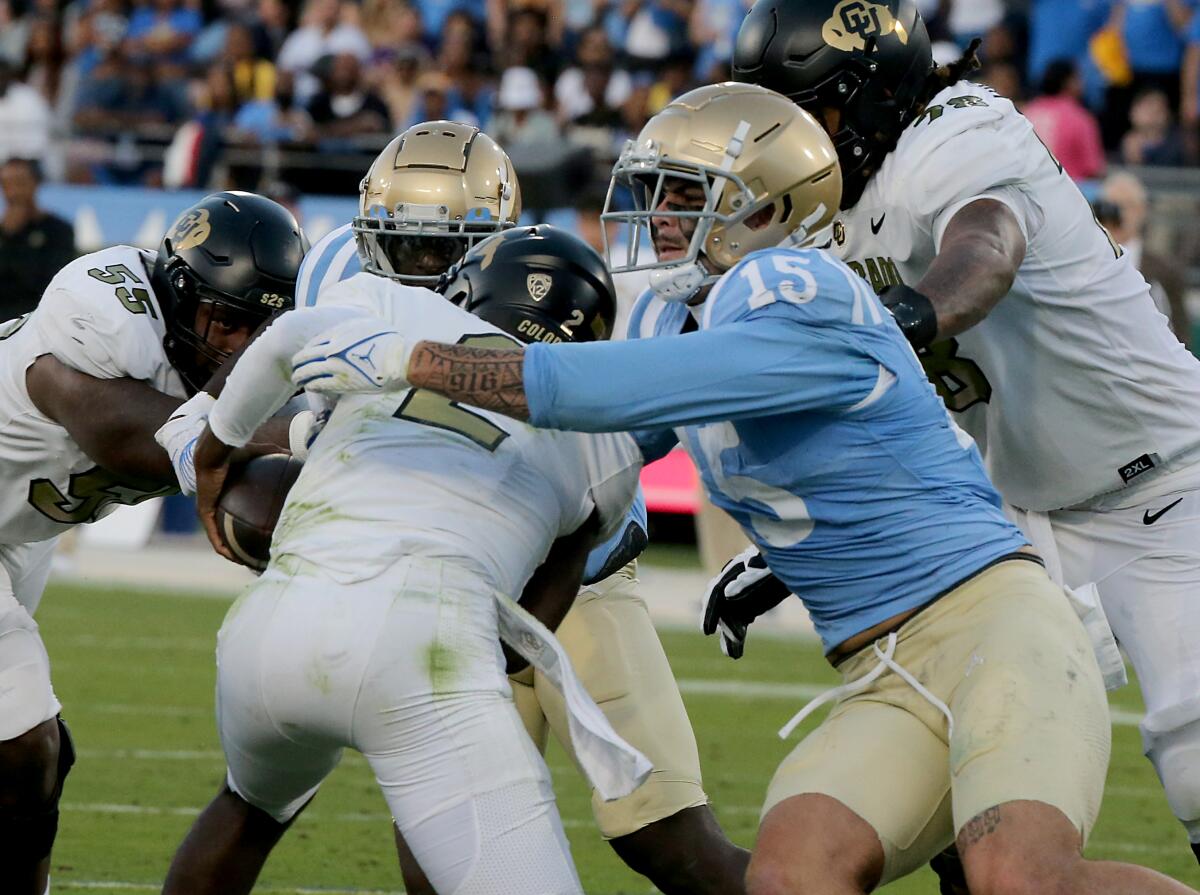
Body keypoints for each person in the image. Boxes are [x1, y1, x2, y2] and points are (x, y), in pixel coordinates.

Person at [286, 81, 1198, 895]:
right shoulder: (700, 309)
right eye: (656, 191)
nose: (662, 214)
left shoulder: (795, 282)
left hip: (996, 631)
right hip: (884, 672)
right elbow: (585, 470)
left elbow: (591, 393)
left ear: (772, 206)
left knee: (1021, 880)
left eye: (690, 193)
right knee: (792, 874)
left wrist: (422, 361)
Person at [730, 0, 1200, 874]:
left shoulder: (958, 131)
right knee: (968, 757)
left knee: (1196, 762)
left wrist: (902, 318)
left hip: (1166, 485)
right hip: (1011, 510)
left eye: (808, 111)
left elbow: (987, 247)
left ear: (871, 98)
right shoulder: (822, 202)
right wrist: (789, 544)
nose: (789, 138)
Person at [291, 119, 751, 895]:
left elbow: (615, 489)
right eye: (401, 246)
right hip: (446, 585)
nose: (421, 271)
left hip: (579, 585)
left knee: (666, 837)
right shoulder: (337, 272)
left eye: (443, 250)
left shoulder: (560, 291)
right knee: (439, 856)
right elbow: (291, 395)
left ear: (494, 238)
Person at [161, 225, 646, 895]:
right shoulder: (609, 441)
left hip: (270, 630)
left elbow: (282, 342)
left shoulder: (391, 305)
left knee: (248, 807)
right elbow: (521, 640)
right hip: (426, 650)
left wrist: (215, 453)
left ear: (469, 288)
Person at [0, 190, 305, 894]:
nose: (242, 346)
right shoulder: (105, 307)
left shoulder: (264, 349)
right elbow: (132, 439)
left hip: (23, 535)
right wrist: (298, 434)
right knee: (25, 746)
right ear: (176, 293)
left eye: (265, 327)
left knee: (32, 761)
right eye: (228, 321)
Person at [1098, 171, 1190, 348]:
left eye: (1126, 206)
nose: (1118, 215)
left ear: (1142, 210)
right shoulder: (1086, 265)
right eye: (1111, 207)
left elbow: (1181, 336)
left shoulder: (1166, 270)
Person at [0, 157, 75, 319]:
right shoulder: (2, 232)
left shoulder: (58, 230)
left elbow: (51, 284)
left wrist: (15, 239)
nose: (13, 192)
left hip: (38, 321)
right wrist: (7, 236)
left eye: (20, 183)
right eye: (6, 185)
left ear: (35, 184)